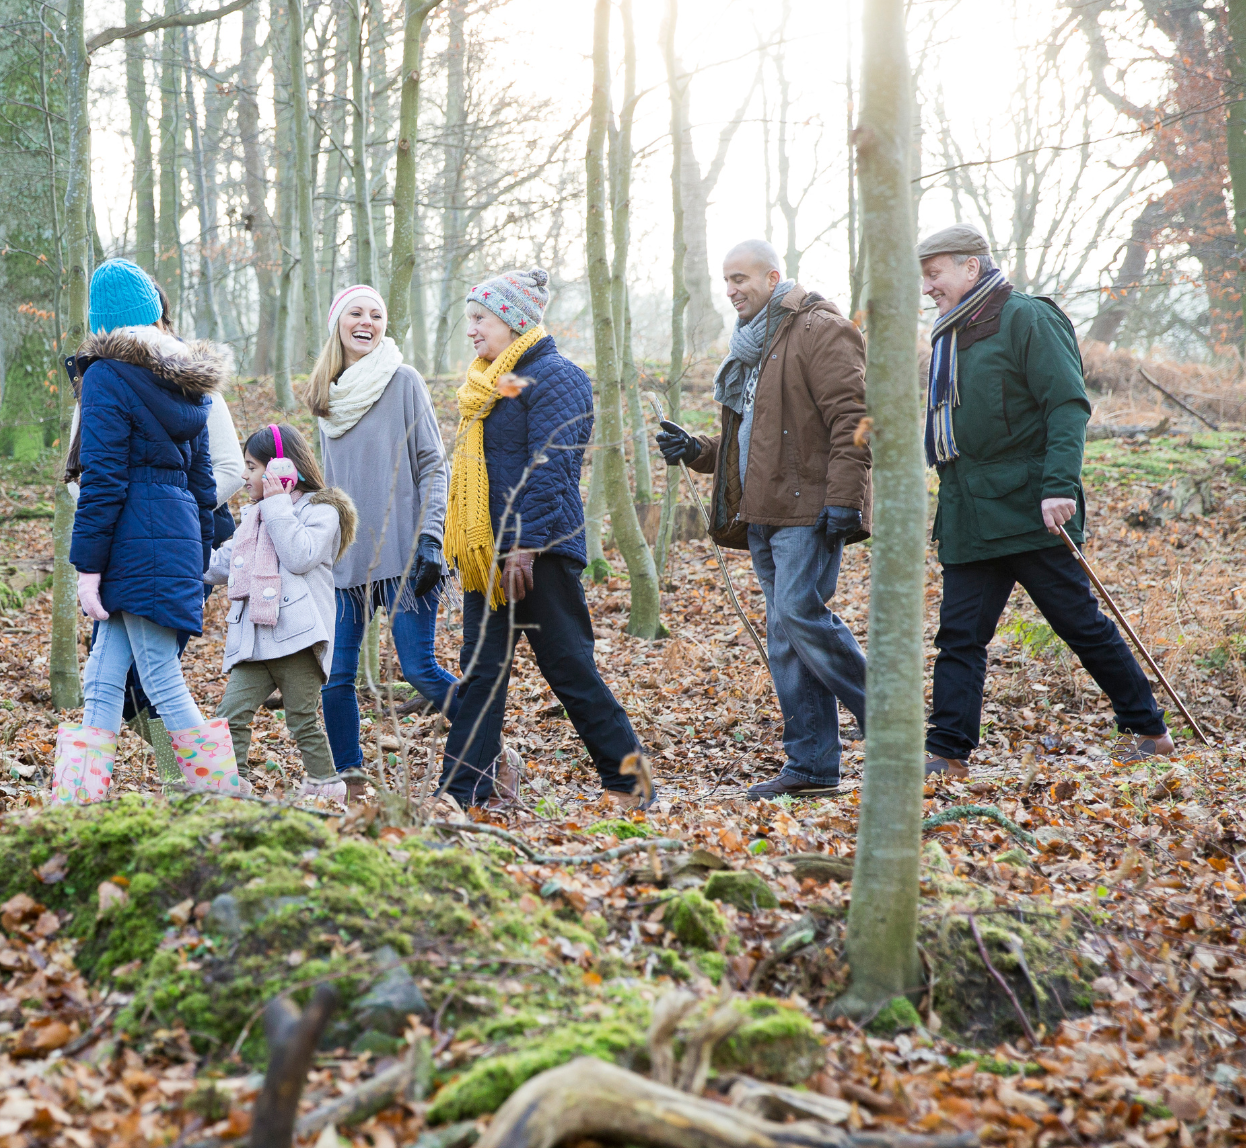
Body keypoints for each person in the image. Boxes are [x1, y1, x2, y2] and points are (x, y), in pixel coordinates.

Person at [915, 224, 1173, 777]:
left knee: (1080, 623)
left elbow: (1068, 405)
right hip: (967, 512)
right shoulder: (949, 334)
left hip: (1032, 508)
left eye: (934, 274)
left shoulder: (1027, 316)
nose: (928, 288)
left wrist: (1059, 486)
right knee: (959, 636)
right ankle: (946, 754)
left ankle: (1147, 730)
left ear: (971, 267)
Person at [655, 239, 870, 799]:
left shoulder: (821, 329)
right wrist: (697, 449)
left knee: (800, 614)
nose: (730, 290)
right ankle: (813, 766)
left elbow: (854, 419)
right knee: (783, 636)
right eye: (725, 281)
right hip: (761, 510)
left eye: (740, 279)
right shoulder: (752, 345)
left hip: (808, 506)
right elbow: (752, 438)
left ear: (773, 277)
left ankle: (893, 727)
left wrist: (846, 498)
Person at [435, 268, 646, 811]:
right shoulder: (491, 385)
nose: (472, 331)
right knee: (481, 672)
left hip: (541, 554)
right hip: (491, 556)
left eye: (480, 319)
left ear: (513, 319)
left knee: (571, 669)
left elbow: (551, 468)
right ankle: (461, 793)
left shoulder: (557, 376)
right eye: (470, 320)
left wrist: (524, 545)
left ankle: (632, 783)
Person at [53, 258, 240, 801]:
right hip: (170, 537)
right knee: (103, 681)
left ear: (102, 322)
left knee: (159, 677)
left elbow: (104, 478)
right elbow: (203, 480)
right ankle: (76, 801)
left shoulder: (106, 375)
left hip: (131, 542)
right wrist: (197, 547)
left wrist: (87, 565)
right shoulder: (188, 381)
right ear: (154, 314)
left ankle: (224, 796)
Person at [307, 284, 455, 792]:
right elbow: (329, 480)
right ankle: (351, 780)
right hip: (346, 564)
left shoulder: (403, 380)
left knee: (419, 668)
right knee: (336, 677)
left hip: (408, 555)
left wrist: (431, 539)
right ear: (337, 323)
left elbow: (435, 465)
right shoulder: (326, 394)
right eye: (356, 312)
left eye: (376, 313)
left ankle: (487, 751)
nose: (366, 321)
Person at [205, 423, 359, 798]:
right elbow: (223, 564)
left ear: (281, 470)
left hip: (298, 639)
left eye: (252, 466)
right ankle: (230, 788)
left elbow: (299, 554)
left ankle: (326, 789)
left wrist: (276, 505)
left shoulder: (322, 512)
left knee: (302, 719)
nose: (244, 475)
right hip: (255, 640)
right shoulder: (254, 518)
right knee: (230, 715)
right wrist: (176, 555)